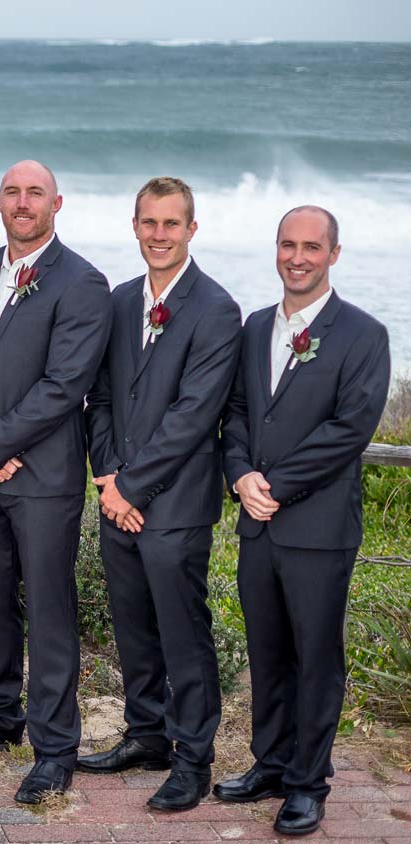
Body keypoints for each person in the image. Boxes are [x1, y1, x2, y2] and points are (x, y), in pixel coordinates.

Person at [0, 160, 111, 804]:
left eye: (34, 192)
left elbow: (65, 386)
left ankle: (55, 746)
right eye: (11, 191)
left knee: (48, 605)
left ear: (56, 203)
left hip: (45, 475)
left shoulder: (83, 283)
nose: (22, 201)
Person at [217, 206, 390, 837]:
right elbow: (235, 411)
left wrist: (277, 487)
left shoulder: (363, 334)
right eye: (288, 245)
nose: (298, 256)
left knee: (315, 655)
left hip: (316, 527)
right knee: (266, 651)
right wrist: (240, 475)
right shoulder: (255, 326)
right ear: (276, 250)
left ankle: (307, 782)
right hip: (257, 522)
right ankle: (270, 762)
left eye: (312, 247)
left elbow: (350, 428)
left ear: (333, 255)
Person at [79, 177, 241, 811]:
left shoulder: (216, 309)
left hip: (174, 503)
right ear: (136, 225)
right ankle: (146, 734)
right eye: (149, 223)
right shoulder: (120, 302)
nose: (158, 235)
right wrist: (109, 475)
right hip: (119, 492)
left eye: (171, 225)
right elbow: (101, 399)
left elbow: (194, 416)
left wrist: (131, 486)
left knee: (182, 630)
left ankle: (192, 757)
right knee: (133, 626)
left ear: (191, 230)